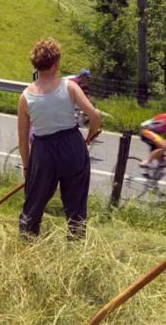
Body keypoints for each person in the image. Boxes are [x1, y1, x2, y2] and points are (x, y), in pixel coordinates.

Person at [17, 38, 101, 238]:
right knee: (76, 205)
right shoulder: (69, 87)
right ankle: (76, 244)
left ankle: (27, 243)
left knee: (34, 203)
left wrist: (28, 167)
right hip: (72, 145)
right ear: (56, 63)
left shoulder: (25, 97)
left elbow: (22, 140)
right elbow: (95, 117)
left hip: (43, 151)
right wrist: (88, 137)